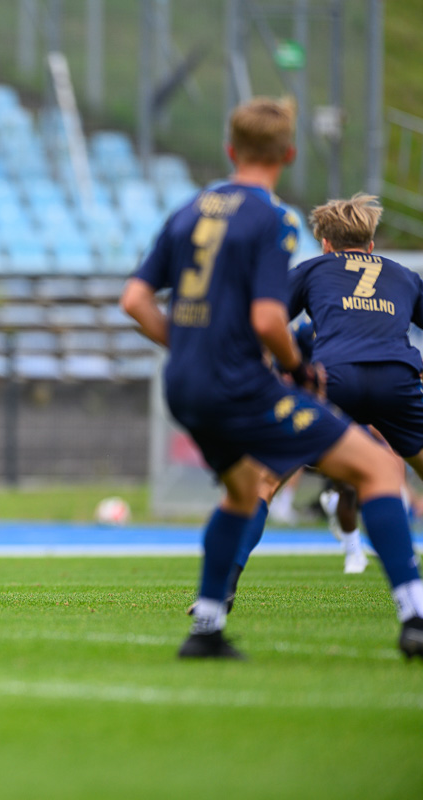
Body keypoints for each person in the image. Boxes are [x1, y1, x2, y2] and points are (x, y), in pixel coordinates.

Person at [121, 97, 423, 660]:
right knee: (381, 469)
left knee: (243, 492)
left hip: (184, 382)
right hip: (240, 382)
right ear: (289, 154)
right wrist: (297, 368)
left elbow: (135, 300)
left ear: (230, 150)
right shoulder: (271, 218)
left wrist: (188, 347)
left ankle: (207, 628)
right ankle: (415, 616)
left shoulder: (188, 210)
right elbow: (266, 320)